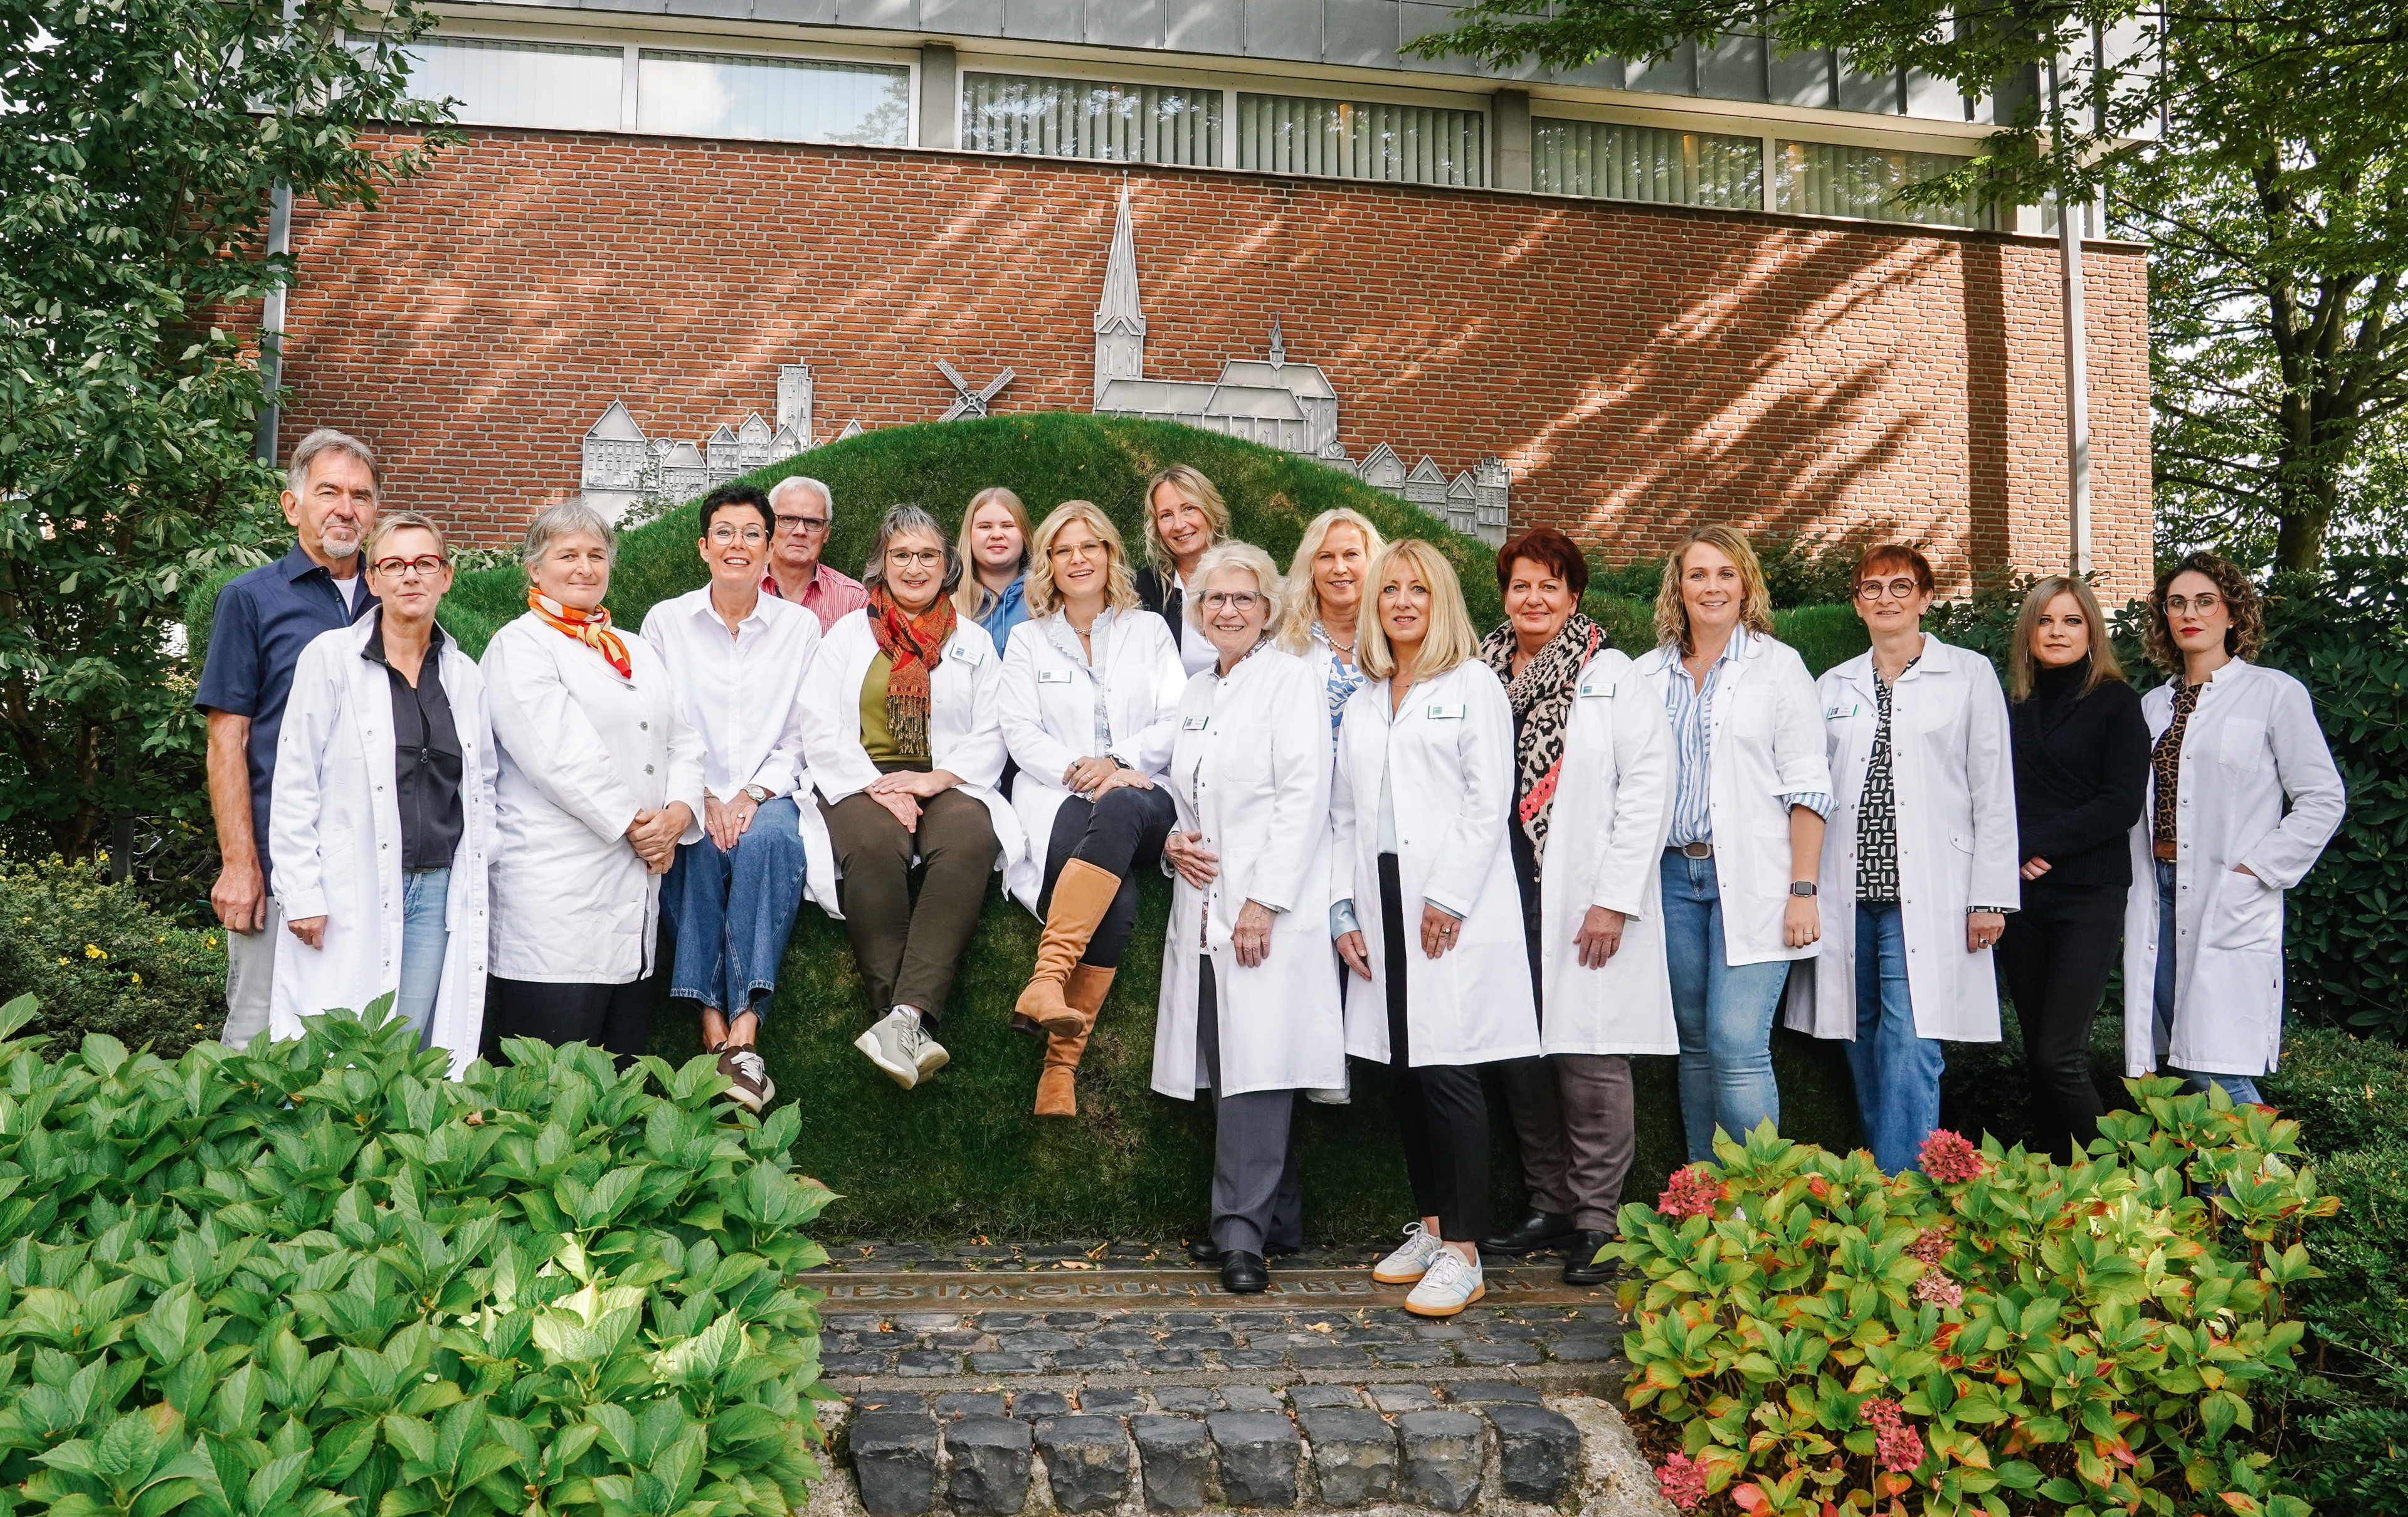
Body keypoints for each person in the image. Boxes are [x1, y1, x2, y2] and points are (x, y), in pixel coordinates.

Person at [1333, 539, 1540, 1318]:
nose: (1403, 602)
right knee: (1406, 1071)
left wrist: (1450, 895)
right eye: (1391, 590)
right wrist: (1341, 909)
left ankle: (1465, 1252)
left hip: (1447, 898)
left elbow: (1491, 801)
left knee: (1449, 1071)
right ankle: (1429, 1228)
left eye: (1419, 589)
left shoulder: (1473, 683)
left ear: (1441, 600)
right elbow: (1342, 814)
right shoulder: (1364, 697)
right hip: (1378, 894)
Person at [1785, 546, 2017, 1175]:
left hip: (1933, 894)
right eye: (1871, 588)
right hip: (1847, 890)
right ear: (1857, 603)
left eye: (1900, 586)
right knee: (1858, 1039)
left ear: (1925, 596)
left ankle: (1900, 1197)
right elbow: (1808, 791)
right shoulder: (1831, 685)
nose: (1886, 598)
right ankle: (1888, 1175)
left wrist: (1989, 896)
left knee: (1911, 1043)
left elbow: (1992, 790)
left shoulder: (1968, 675)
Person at [1152, 542, 1344, 1294]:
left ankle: (1239, 1233)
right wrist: (1170, 840)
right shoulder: (1198, 691)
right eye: (1213, 600)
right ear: (1198, 613)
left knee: (1258, 1073)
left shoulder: (1291, 682)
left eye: (1242, 599)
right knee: (1232, 1065)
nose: (1227, 610)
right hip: (1203, 905)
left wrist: (1265, 900)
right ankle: (1279, 1220)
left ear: (1267, 611)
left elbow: (1305, 797)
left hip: (1265, 907)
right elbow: (1179, 789)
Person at [1474, 527, 1654, 1286]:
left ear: (1574, 595)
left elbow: (1647, 784)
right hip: (1500, 886)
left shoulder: (1607, 670)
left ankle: (1595, 1219)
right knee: (1519, 1051)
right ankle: (1547, 1202)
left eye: (1550, 585)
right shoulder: (1478, 667)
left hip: (1578, 887)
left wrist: (1612, 900)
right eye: (1521, 585)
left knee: (1588, 1053)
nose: (1534, 598)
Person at [798, 505, 1025, 1090]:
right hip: (859, 776)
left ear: (947, 564)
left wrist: (933, 780)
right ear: (881, 564)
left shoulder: (971, 640)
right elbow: (818, 723)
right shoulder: (846, 635)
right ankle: (900, 1016)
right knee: (874, 843)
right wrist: (877, 785)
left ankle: (903, 1017)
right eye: (902, 554)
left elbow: (993, 728)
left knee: (970, 836)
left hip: (945, 777)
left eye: (927, 555)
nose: (915, 566)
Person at [266, 511, 494, 1070]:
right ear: (372, 580)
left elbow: (482, 781)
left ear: (447, 576)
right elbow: (295, 778)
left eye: (425, 563)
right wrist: (301, 891)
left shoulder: (465, 675)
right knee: (330, 1050)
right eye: (394, 564)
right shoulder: (330, 659)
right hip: (350, 886)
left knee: (409, 1051)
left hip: (437, 888)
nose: (410, 576)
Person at [1635, 526, 1830, 1163]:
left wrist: (1803, 890)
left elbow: (1808, 786)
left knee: (1736, 1042)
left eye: (1725, 573)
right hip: (1671, 878)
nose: (1711, 586)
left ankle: (1763, 1213)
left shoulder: (1778, 667)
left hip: (1755, 879)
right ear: (1678, 587)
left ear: (1745, 584)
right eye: (1698, 574)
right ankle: (1705, 1213)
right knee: (1693, 1045)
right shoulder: (1646, 675)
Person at [482, 500, 705, 1059]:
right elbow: (558, 755)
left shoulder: (636, 647)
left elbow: (684, 739)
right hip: (555, 902)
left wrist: (678, 813)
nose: (584, 567)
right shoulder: (520, 645)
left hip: (632, 899)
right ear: (534, 569)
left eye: (596, 554)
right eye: (568, 555)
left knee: (616, 1085)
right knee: (546, 1084)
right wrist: (639, 826)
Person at [2124, 552, 2345, 1104]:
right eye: (2177, 603)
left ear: (2232, 613)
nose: (2189, 613)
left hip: (2228, 894)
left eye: (2205, 601)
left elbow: (2322, 798)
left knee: (2215, 1065)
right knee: (2173, 1061)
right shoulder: (2151, 706)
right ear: (2164, 618)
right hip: (2156, 891)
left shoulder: (2273, 693)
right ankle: (2205, 1190)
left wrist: (2255, 871)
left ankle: (2271, 1187)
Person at [998, 501, 1186, 1117]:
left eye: (1091, 547)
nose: (1079, 559)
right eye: (1064, 550)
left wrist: (1117, 761)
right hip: (1057, 793)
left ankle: (1047, 977)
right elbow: (1020, 730)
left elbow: (1174, 717)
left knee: (1125, 802)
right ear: (1048, 563)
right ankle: (1060, 1070)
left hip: (1143, 790)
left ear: (1110, 555)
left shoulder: (1149, 630)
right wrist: (1078, 771)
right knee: (1119, 898)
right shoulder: (1027, 641)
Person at [196, 427, 383, 1045]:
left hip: (372, 870)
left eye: (360, 495)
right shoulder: (250, 600)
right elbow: (228, 738)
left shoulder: (395, 603)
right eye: (328, 491)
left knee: (357, 1042)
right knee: (257, 1035)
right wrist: (240, 863)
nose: (345, 508)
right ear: (292, 505)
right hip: (279, 867)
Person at [640, 483, 821, 1114]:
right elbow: (657, 722)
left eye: (751, 533)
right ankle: (712, 1023)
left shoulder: (799, 628)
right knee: (690, 844)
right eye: (724, 532)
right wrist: (704, 795)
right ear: (703, 546)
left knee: (769, 840)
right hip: (691, 785)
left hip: (771, 787)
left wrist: (751, 793)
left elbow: (804, 730)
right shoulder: (666, 622)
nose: (737, 545)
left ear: (770, 548)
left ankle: (743, 1029)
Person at [1994, 576, 2149, 1161]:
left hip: (2089, 893)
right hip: (2023, 897)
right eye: (2045, 621)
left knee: (2062, 1054)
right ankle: (2058, 1192)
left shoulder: (2117, 702)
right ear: (2028, 632)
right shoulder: (2011, 704)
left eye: (2072, 621)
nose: (2057, 632)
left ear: (2092, 632)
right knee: (2038, 1051)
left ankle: (2115, 1187)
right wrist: (2011, 853)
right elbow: (1987, 790)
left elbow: (2120, 803)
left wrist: (2032, 844)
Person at [1277, 505, 1388, 1111]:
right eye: (1327, 556)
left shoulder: (1399, 631)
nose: (1341, 567)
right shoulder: (1288, 643)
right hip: (1308, 809)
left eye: (1353, 554)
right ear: (1310, 569)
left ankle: (1375, 1051)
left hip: (1380, 808)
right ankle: (1321, 1059)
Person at [1133, 465, 1230, 678]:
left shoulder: (1248, 577)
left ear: (1209, 511)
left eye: (1189, 509)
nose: (1179, 525)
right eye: (1166, 515)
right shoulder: (1144, 590)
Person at [763, 475, 869, 632]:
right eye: (788, 519)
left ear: (826, 533)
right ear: (770, 525)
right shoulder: (742, 587)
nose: (800, 531)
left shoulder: (852, 600)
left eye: (813, 522)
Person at [955, 487, 1032, 650]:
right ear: (969, 536)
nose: (997, 535)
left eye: (1007, 526)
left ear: (1024, 534)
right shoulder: (949, 604)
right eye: (985, 527)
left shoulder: (1048, 599)